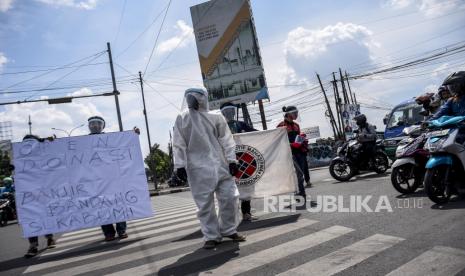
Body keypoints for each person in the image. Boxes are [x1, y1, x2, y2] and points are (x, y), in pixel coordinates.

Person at [173, 88, 246, 249]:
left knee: (230, 198)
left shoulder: (216, 116)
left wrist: (232, 161)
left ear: (203, 98)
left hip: (220, 164)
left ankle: (228, 229)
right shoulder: (183, 118)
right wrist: (179, 166)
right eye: (189, 97)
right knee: (204, 205)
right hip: (197, 168)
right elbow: (178, 143)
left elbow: (227, 140)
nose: (191, 100)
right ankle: (211, 236)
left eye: (195, 97)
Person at [87, 116, 140, 241]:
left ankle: (121, 230)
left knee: (118, 204)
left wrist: (133, 133)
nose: (95, 125)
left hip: (113, 179)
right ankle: (108, 232)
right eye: (92, 123)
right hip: (95, 181)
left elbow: (124, 144)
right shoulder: (81, 142)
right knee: (102, 207)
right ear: (89, 126)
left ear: (103, 126)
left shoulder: (111, 139)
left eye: (98, 123)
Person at [20, 134, 57, 258]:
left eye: (32, 142)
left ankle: (50, 238)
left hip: (45, 193)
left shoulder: (44, 154)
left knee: (45, 215)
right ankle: (33, 245)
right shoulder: (19, 157)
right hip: (27, 194)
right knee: (31, 219)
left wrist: (49, 140)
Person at [220, 102, 257, 222]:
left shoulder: (241, 124)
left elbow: (255, 132)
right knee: (230, 187)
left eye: (232, 111)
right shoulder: (220, 127)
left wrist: (276, 132)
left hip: (243, 158)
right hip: (228, 161)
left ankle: (246, 212)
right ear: (222, 113)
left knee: (246, 183)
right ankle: (233, 215)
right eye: (227, 112)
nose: (230, 113)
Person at [277, 106, 310, 202]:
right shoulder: (281, 126)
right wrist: (291, 144)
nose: (296, 114)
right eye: (294, 112)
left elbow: (298, 138)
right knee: (298, 173)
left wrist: (303, 139)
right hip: (289, 153)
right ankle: (300, 194)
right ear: (288, 114)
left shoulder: (296, 125)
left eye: (297, 112)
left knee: (301, 173)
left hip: (300, 152)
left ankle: (300, 193)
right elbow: (279, 141)